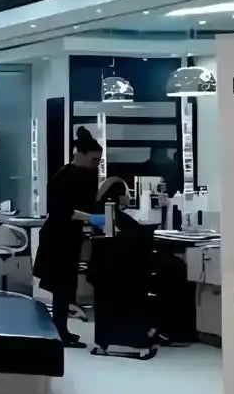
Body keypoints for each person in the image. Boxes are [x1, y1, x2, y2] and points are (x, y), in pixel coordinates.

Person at [33, 126, 102, 347]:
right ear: (80, 154)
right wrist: (91, 219)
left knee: (64, 289)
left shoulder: (86, 176)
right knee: (61, 288)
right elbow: (60, 210)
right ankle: (60, 331)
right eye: (93, 160)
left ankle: (61, 330)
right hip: (57, 238)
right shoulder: (63, 176)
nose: (96, 165)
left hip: (69, 237)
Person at [86, 177, 157, 356]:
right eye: (127, 193)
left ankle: (105, 341)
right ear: (119, 196)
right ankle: (140, 338)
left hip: (105, 268)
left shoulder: (104, 213)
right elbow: (133, 238)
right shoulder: (111, 214)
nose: (129, 197)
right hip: (121, 269)